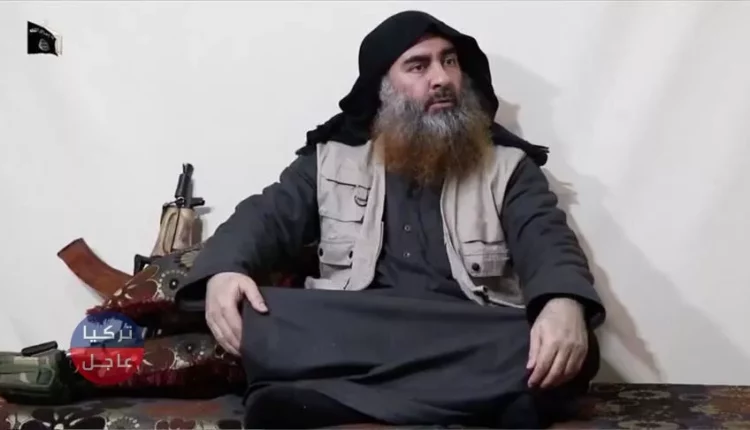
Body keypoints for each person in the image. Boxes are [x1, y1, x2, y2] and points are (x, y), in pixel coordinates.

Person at [178, 10, 606, 429]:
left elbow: (547, 240)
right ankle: (488, 403)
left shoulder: (508, 168)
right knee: (266, 317)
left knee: (568, 344)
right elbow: (262, 217)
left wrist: (561, 302)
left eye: (449, 61)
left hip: (462, 324)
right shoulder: (329, 162)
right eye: (418, 66)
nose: (441, 78)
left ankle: (333, 399)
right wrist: (225, 270)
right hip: (362, 326)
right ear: (382, 87)